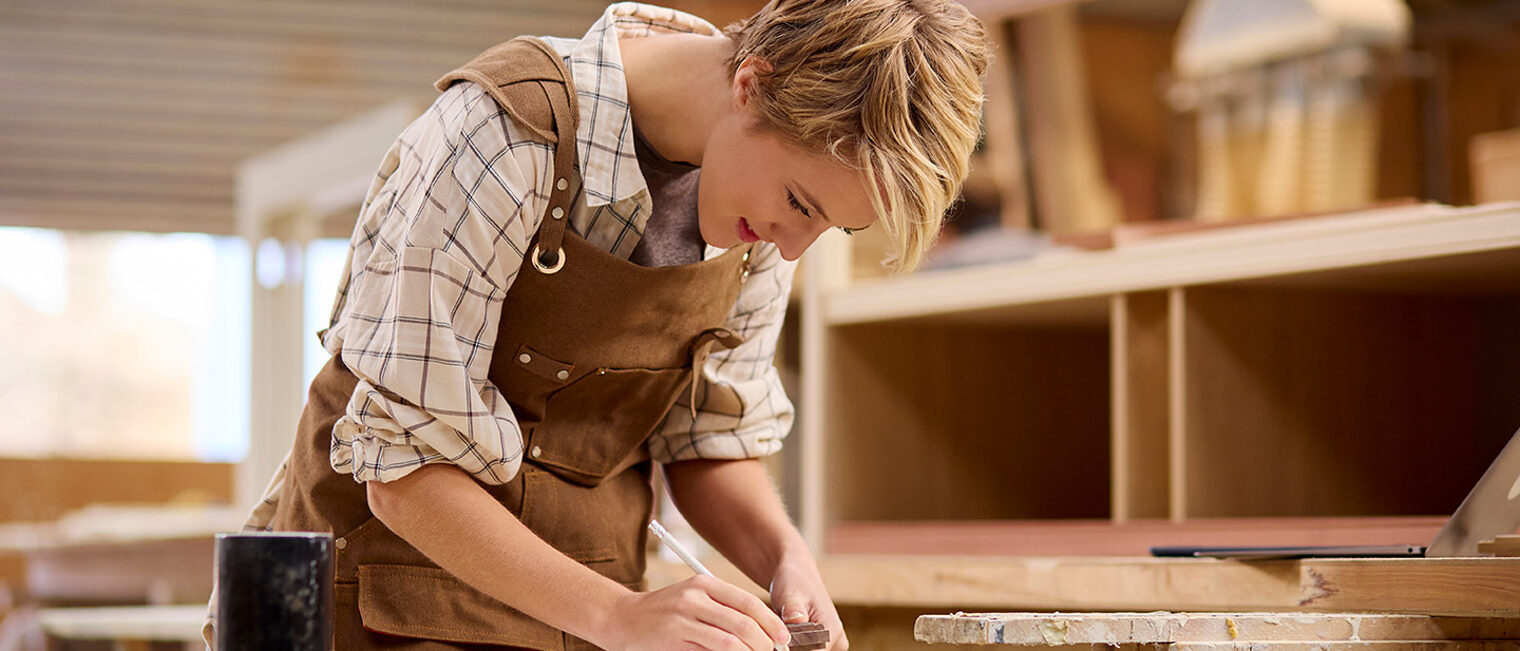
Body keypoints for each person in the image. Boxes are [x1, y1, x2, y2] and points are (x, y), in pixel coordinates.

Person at [206, 0, 987, 648]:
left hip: (579, 623)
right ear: (752, 84)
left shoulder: (763, 218)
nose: (794, 247)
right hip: (379, 606)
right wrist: (618, 615)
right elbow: (404, 478)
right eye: (802, 205)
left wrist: (784, 557)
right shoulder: (502, 137)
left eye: (833, 229)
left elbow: (708, 439)